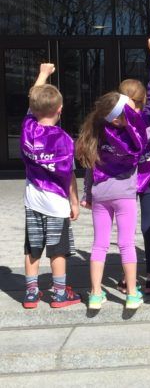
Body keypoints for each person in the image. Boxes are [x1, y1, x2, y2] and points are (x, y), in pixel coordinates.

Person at [76, 90, 147, 310]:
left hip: (100, 194)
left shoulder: (96, 133)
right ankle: (132, 294)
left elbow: (90, 168)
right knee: (126, 244)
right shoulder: (131, 136)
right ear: (117, 119)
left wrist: (87, 194)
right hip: (125, 194)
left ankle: (96, 294)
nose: (134, 114)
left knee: (99, 244)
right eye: (130, 112)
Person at [21, 63, 81, 309]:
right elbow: (69, 175)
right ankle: (59, 294)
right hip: (56, 204)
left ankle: (31, 294)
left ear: (34, 110)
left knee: (33, 247)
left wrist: (43, 74)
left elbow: (32, 102)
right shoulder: (64, 140)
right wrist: (74, 201)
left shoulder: (28, 129)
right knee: (58, 249)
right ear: (60, 109)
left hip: (33, 201)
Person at [117, 38, 150, 295]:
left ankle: (126, 277)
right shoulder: (149, 117)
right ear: (143, 99)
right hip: (148, 178)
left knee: (125, 229)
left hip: (122, 179)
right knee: (148, 225)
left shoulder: (114, 123)